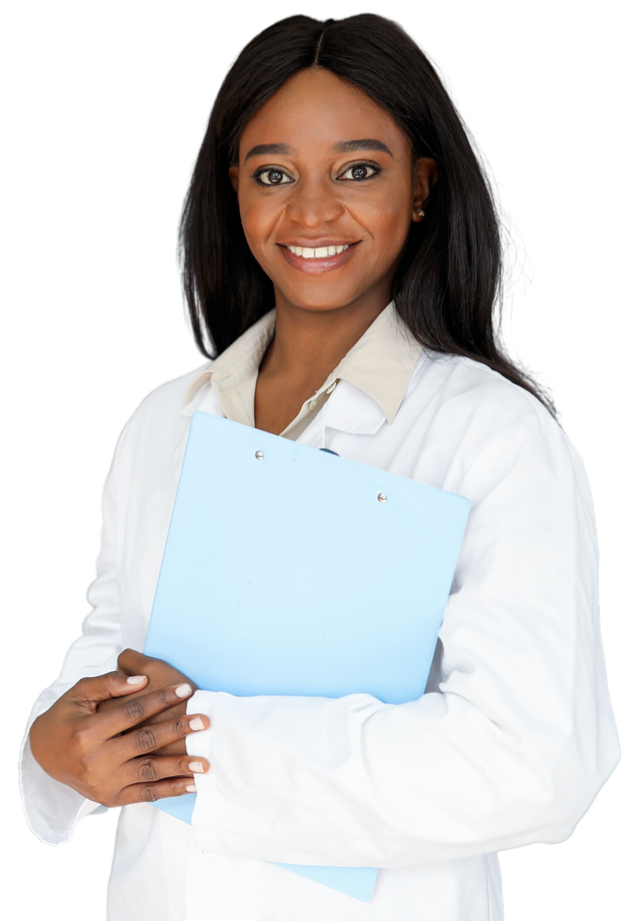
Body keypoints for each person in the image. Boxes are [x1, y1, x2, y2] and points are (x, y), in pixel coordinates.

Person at [19, 13, 621, 921]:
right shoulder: (161, 422)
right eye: (273, 173)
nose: (310, 212)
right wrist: (55, 746)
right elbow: (114, 642)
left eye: (358, 170)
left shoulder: (493, 436)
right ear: (234, 187)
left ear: (421, 187)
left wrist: (200, 747)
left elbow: (536, 762)